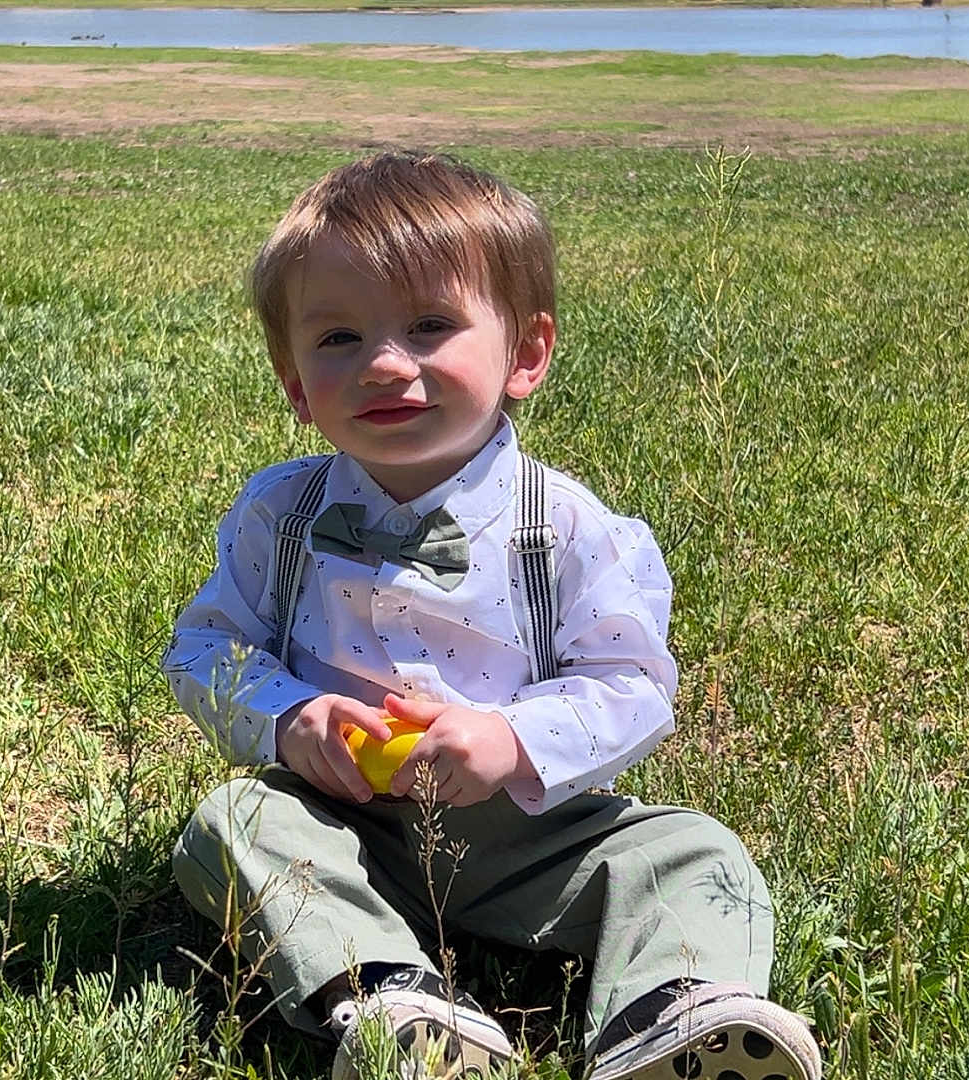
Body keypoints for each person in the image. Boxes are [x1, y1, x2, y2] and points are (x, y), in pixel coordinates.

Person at [162, 151, 822, 1080]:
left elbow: (631, 682)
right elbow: (204, 646)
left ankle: (673, 1018)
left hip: (530, 836)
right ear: (296, 384)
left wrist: (513, 740)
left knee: (690, 850)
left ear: (526, 354)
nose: (386, 363)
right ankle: (393, 1002)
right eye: (339, 339)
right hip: (341, 825)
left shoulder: (569, 529)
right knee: (230, 824)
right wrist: (285, 715)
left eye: (431, 326)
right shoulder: (278, 515)